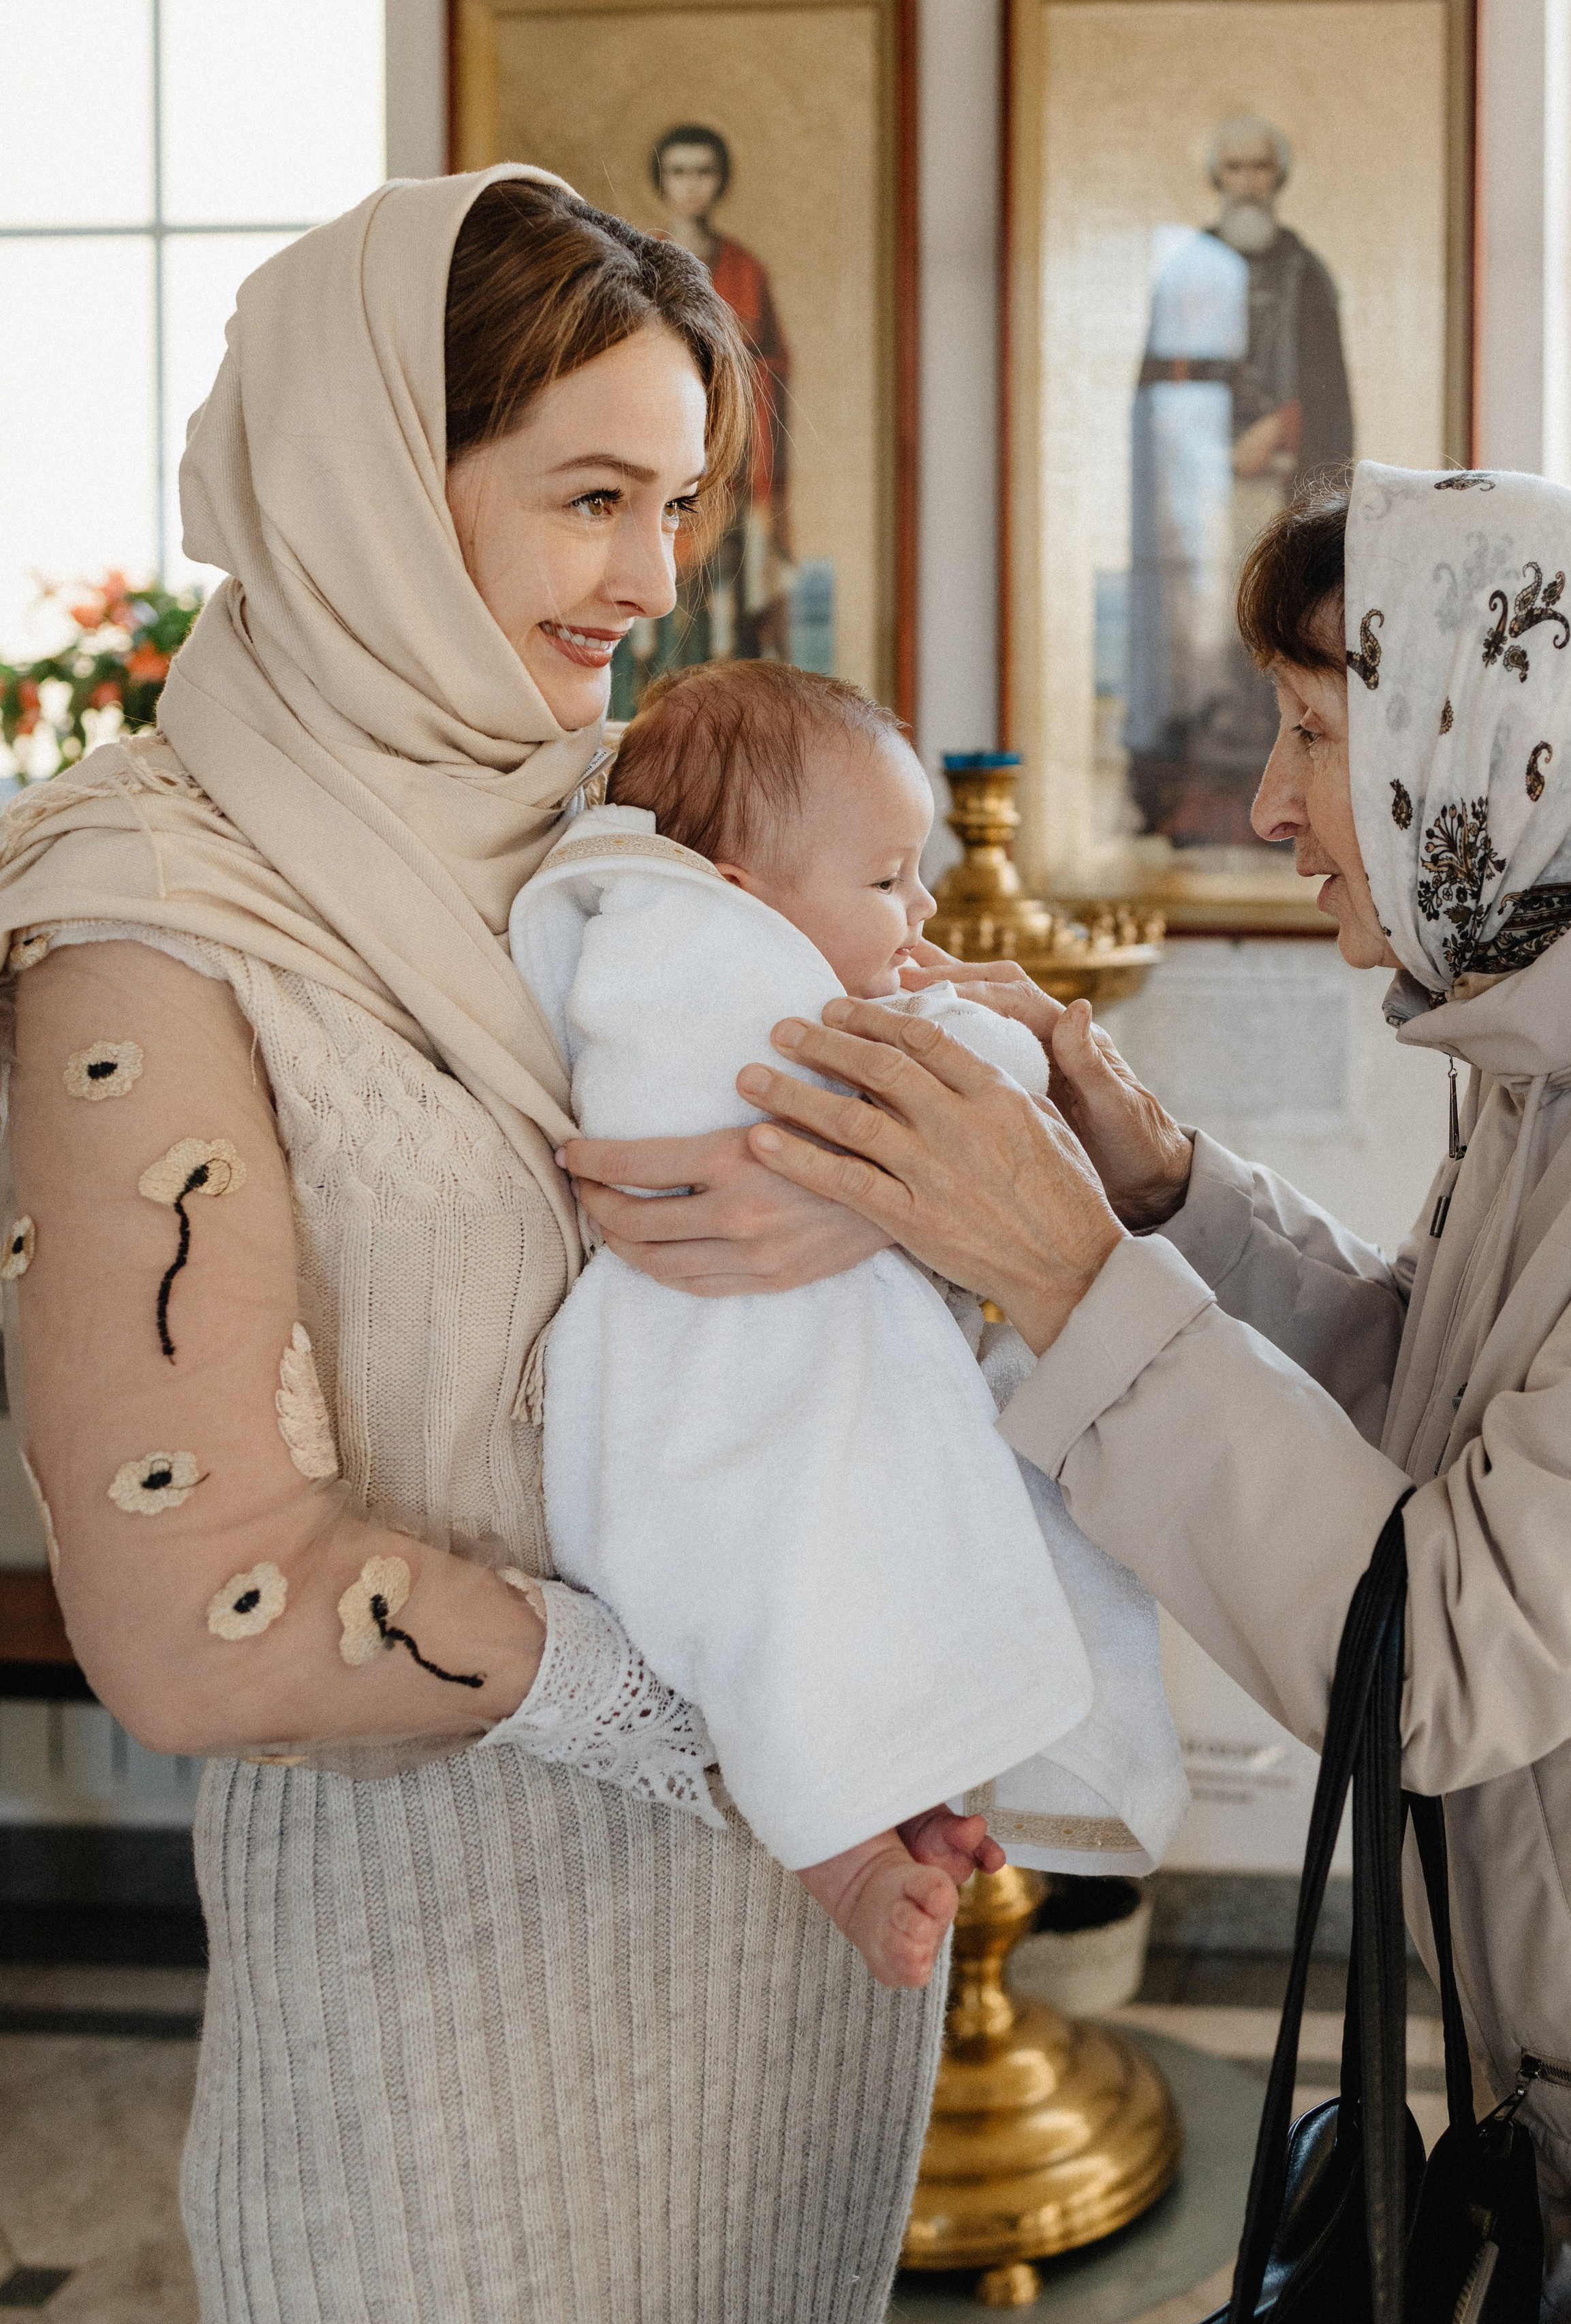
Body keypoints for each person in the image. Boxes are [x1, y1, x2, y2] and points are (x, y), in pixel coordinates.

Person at [0, 168, 977, 2324]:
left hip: (792, 1967)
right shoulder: (143, 915)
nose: (651, 576)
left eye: (679, 499)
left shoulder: (647, 811)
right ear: (370, 480)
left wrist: (848, 1177)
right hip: (439, 2006)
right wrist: (708, 1710)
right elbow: (194, 1608)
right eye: (588, 497)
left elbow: (932, 1156)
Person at [610, 463, 1571, 2319]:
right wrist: (1156, 1190)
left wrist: (1065, 1272)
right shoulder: (1567, 1035)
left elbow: (1449, 1652)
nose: (1269, 800)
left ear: (1500, 745)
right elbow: (1441, 1408)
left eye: (1315, 733)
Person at [509, 659, 1183, 1987]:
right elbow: (987, 1094)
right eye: (885, 881)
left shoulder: (618, 965)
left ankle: (885, 1810)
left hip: (694, 1383)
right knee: (823, 1591)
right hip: (737, 1368)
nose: (920, 909)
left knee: (801, 1611)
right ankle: (856, 1841)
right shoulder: (749, 995)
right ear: (741, 899)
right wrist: (998, 1033)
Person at [1127, 115, 1354, 843]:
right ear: (1216, 179)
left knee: (1270, 639)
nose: (1248, 183)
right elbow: (1160, 389)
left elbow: (1329, 396)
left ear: (1278, 178)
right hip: (1198, 499)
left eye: (1261, 168)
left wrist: (1284, 428)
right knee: (1198, 639)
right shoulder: (1187, 271)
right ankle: (1192, 796)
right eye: (1235, 170)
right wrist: (1211, 440)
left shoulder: (1305, 272)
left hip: (1280, 495)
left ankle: (1277, 804)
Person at [619, 123, 792, 701]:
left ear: (720, 182)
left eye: (703, 172)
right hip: (656, 465)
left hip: (733, 470)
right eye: (679, 172)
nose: (692, 185)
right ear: (662, 182)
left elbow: (774, 367)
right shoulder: (637, 260)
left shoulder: (745, 269)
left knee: (725, 612)